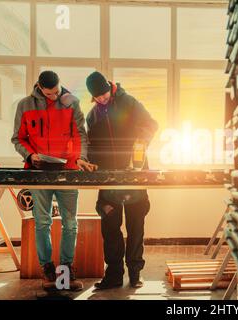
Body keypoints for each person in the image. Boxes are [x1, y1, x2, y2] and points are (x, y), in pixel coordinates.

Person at [12, 71, 97, 291]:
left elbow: (80, 135)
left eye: (57, 91)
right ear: (40, 87)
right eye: (50, 93)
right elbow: (18, 138)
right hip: (39, 173)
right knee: (42, 222)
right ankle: (48, 270)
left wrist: (81, 158)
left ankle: (66, 270)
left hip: (68, 172)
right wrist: (30, 155)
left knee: (70, 223)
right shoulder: (25, 105)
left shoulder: (71, 103)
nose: (54, 96)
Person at [85, 71, 158, 289]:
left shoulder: (130, 103)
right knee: (110, 228)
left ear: (110, 87)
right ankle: (114, 275)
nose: (101, 100)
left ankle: (135, 274)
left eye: (104, 95)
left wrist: (140, 142)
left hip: (134, 175)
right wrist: (89, 162)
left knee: (136, 226)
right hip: (108, 180)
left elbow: (151, 124)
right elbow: (91, 145)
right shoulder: (92, 116)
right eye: (97, 98)